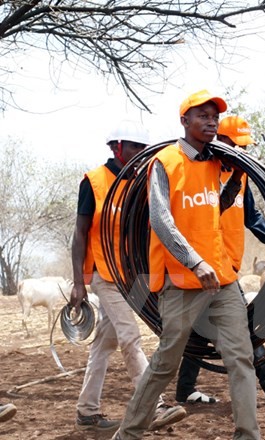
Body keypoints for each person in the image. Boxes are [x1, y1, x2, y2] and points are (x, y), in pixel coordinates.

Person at [112, 90, 261, 440]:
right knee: (166, 363)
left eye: (215, 116)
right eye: (203, 115)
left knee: (240, 358)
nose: (212, 121)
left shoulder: (215, 162)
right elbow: (161, 220)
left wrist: (237, 177)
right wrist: (194, 262)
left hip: (221, 280)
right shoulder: (165, 162)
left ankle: (248, 435)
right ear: (184, 121)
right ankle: (128, 434)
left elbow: (216, 210)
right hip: (181, 282)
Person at [69, 121, 186, 433]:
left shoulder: (139, 185)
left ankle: (87, 411)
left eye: (142, 149)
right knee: (130, 336)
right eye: (134, 147)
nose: (139, 154)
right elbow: (80, 233)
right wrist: (79, 281)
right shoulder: (93, 182)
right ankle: (156, 405)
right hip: (104, 275)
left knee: (103, 345)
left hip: (129, 276)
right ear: (116, 147)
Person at [175, 115, 265, 406]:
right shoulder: (202, 173)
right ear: (221, 142)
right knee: (240, 326)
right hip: (201, 267)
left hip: (227, 267)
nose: (242, 152)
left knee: (198, 331)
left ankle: (184, 389)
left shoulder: (240, 178)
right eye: (237, 145)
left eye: (245, 146)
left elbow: (252, 216)